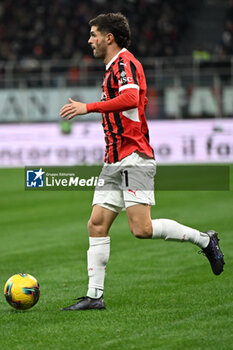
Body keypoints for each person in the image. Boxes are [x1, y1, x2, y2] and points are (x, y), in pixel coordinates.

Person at [60, 13, 225, 311]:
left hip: (133, 156)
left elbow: (131, 98)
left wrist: (89, 107)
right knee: (96, 224)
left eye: (94, 34)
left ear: (109, 38)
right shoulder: (113, 68)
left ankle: (204, 240)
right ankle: (94, 296)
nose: (89, 40)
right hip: (113, 159)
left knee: (142, 229)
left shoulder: (124, 63)